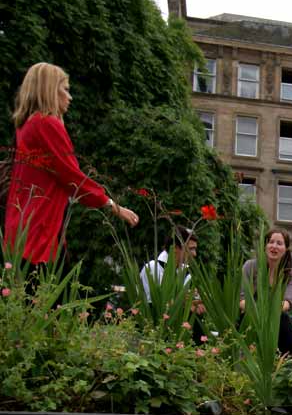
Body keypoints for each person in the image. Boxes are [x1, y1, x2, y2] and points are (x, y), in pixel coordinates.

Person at [4, 63, 138, 263]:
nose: (70, 97)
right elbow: (71, 176)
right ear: (49, 90)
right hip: (39, 233)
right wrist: (113, 205)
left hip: (23, 228)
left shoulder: (26, 126)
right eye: (65, 90)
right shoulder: (46, 124)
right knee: (50, 289)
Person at [241, 228, 292, 357]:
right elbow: (241, 300)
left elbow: (287, 303)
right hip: (249, 316)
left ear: (286, 249)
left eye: (279, 243)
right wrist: (260, 312)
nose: (274, 246)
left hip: (276, 318)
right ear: (265, 246)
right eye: (271, 242)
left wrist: (271, 311)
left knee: (283, 318)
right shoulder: (250, 266)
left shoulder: (290, 274)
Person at [139, 226, 197, 302]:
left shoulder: (186, 273)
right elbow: (150, 304)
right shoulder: (152, 269)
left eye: (195, 249)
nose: (194, 254)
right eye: (191, 249)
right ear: (175, 248)